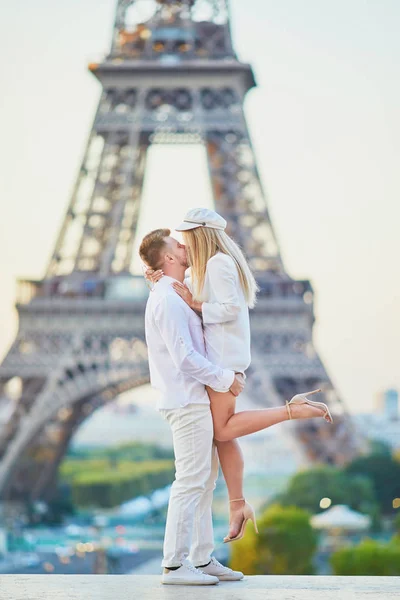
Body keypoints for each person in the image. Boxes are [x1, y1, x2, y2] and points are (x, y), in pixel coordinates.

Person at [145, 208, 333, 543]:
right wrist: (161, 277)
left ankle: (292, 410)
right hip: (219, 360)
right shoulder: (208, 266)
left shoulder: (218, 263)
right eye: (180, 240)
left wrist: (196, 304)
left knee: (223, 429)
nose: (184, 241)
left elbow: (231, 307)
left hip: (221, 361)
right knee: (223, 436)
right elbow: (186, 287)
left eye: (188, 234)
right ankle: (238, 505)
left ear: (201, 233)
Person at [139, 229, 245, 586]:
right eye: (178, 246)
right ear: (168, 258)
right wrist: (225, 378)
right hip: (187, 400)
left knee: (204, 482)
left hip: (193, 398)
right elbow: (185, 358)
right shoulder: (168, 300)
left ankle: (200, 557)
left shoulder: (172, 294)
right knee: (190, 481)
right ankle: (174, 564)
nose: (186, 247)